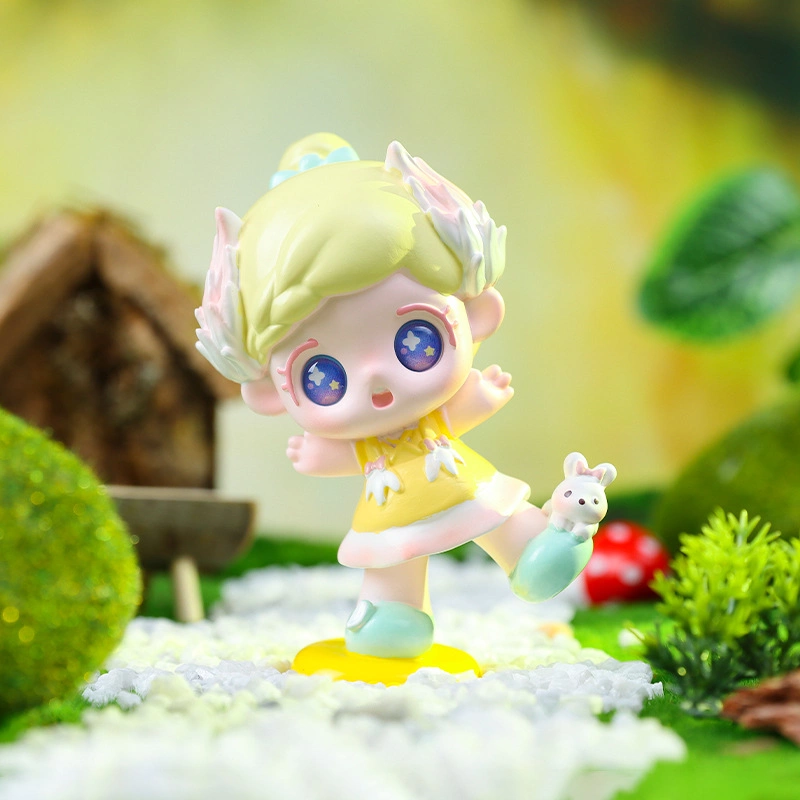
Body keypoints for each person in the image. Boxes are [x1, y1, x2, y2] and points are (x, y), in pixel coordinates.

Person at [196, 133, 614, 658]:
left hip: (458, 478)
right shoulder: (363, 441)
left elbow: (454, 415)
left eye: (416, 340)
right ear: (268, 393)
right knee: (393, 560)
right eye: (323, 377)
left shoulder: (432, 414)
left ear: (476, 315)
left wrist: (481, 397)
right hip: (388, 509)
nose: (376, 379)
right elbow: (343, 455)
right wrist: (318, 455)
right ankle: (393, 614)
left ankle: (540, 548)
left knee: (495, 510)